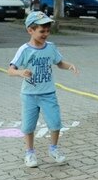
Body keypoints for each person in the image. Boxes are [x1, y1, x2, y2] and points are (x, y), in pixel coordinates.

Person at [8, 11, 79, 168]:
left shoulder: (51, 48)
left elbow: (59, 62)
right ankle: (30, 152)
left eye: (48, 31)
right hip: (29, 95)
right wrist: (20, 72)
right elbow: (10, 70)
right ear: (30, 30)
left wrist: (69, 65)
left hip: (48, 94)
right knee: (28, 126)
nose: (46, 34)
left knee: (55, 123)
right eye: (42, 31)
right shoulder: (24, 50)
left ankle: (54, 149)